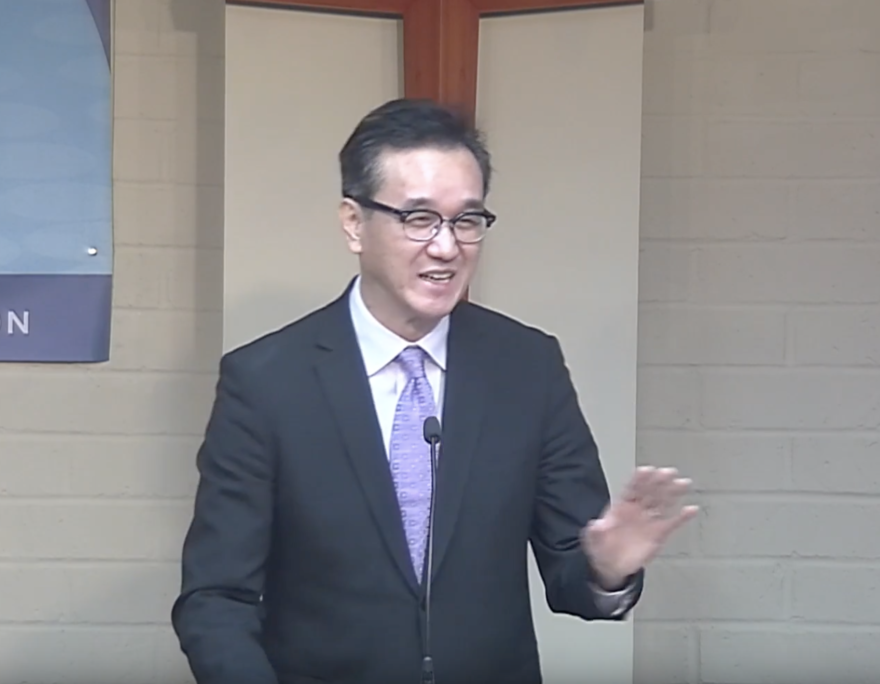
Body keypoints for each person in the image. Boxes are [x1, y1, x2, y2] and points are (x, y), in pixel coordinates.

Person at [171, 98, 698, 684]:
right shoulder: (267, 381)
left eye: (466, 221)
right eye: (419, 219)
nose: (447, 247)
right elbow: (215, 600)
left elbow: (574, 577)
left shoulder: (527, 367)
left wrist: (605, 569)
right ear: (354, 223)